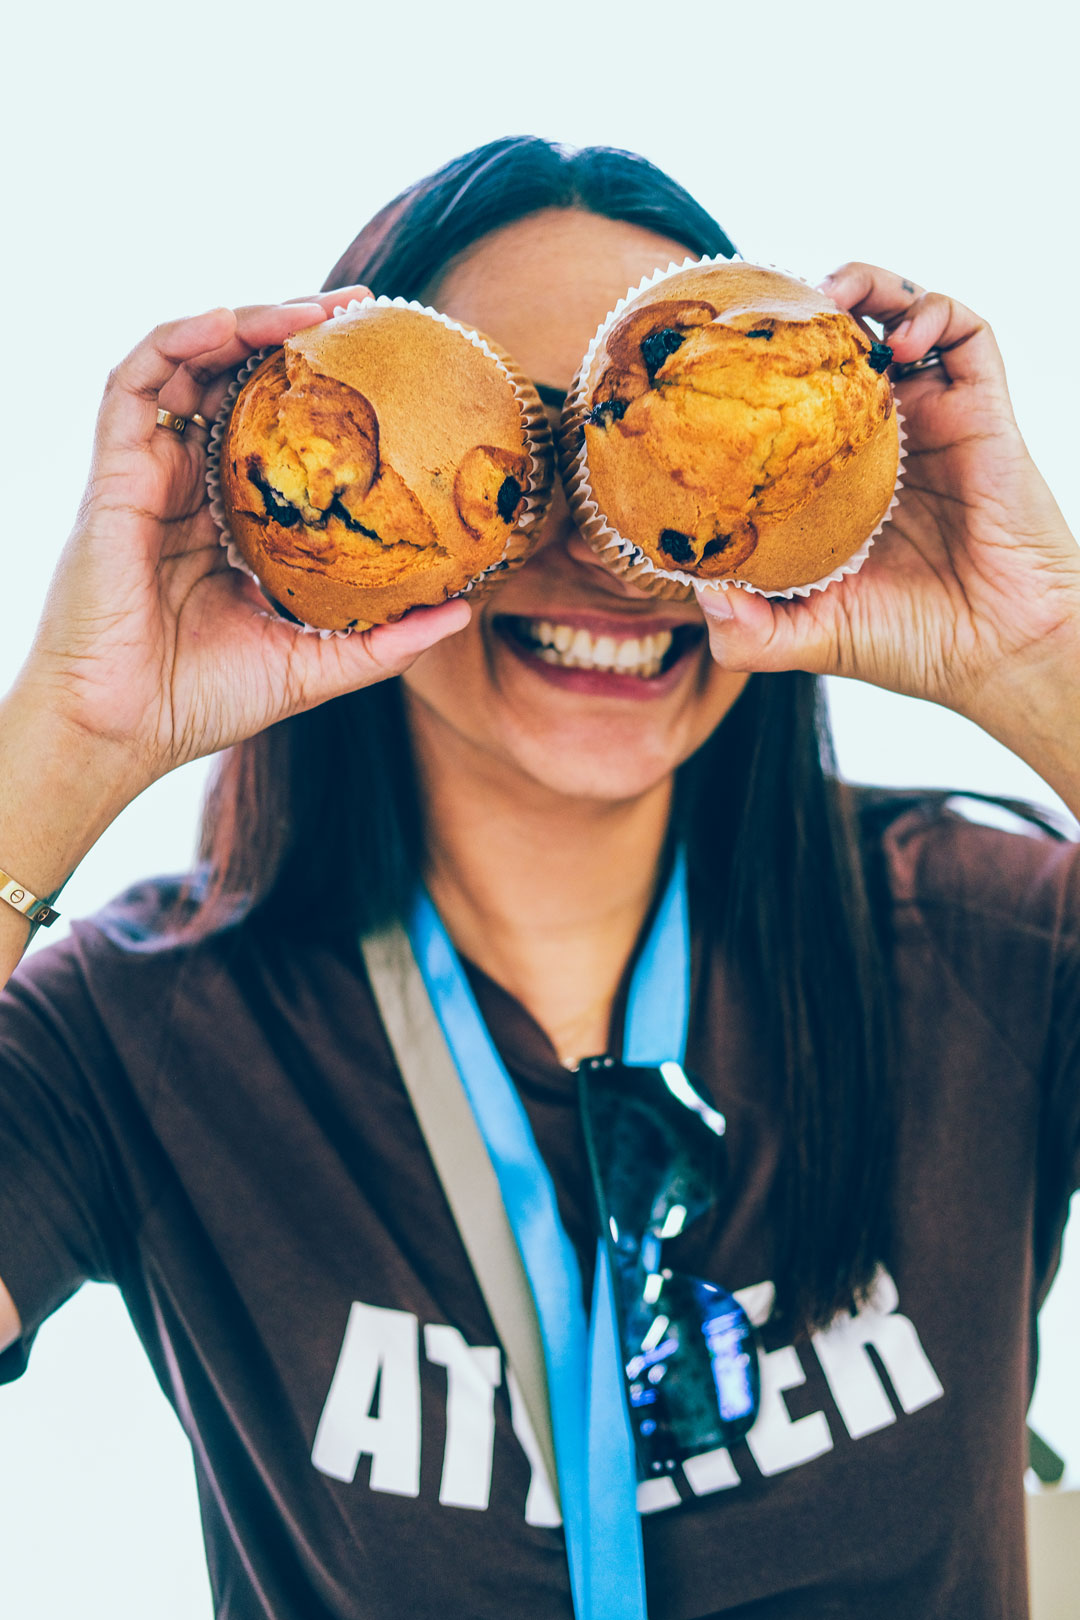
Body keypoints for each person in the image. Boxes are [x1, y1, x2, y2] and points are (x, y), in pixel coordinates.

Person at [0, 136, 1077, 1620]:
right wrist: (67, 739)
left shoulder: (988, 940)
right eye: (520, 451)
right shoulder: (139, 1035)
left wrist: (1041, 655)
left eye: (654, 442)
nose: (611, 556)